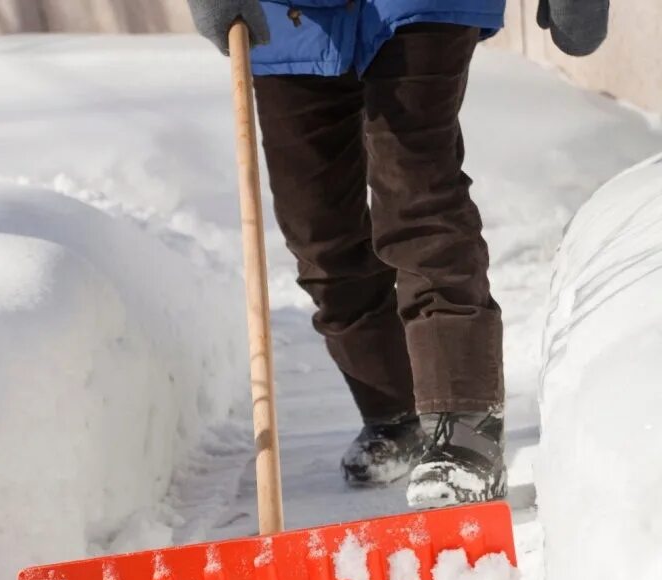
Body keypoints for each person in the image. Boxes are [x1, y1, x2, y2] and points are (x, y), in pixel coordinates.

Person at [186, 0, 609, 505]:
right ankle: (394, 409)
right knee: (317, 228)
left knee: (418, 196)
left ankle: (464, 426)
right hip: (289, 14)